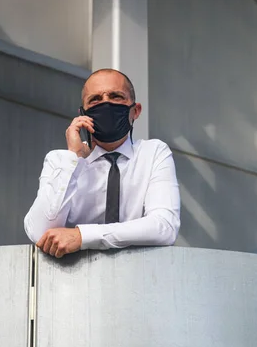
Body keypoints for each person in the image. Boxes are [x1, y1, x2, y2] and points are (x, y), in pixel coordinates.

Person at [24, 69, 180, 258]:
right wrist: (74, 159)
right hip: (72, 280)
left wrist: (82, 236)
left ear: (136, 111)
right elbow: (40, 232)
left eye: (116, 96)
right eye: (95, 100)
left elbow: (164, 226)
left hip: (140, 278)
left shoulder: (154, 153)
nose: (106, 104)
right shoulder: (60, 161)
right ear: (82, 113)